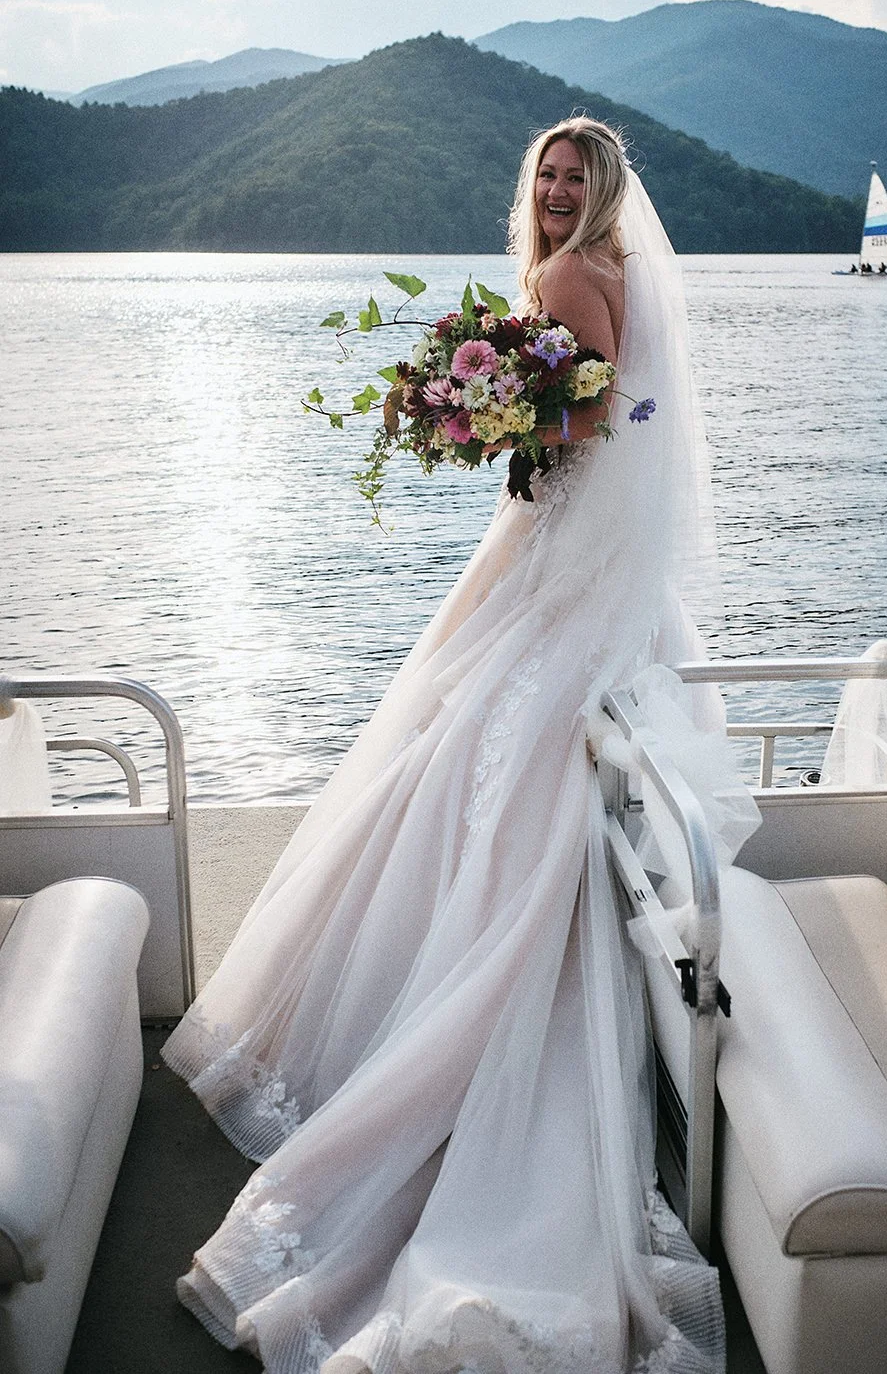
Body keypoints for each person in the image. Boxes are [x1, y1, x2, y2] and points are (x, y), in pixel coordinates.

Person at [162, 117, 757, 1374]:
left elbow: (590, 421)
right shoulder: (622, 274)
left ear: (601, 193)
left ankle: (419, 990)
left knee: (463, 742)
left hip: (561, 551)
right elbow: (633, 398)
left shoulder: (562, 277)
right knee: (464, 736)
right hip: (587, 555)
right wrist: (509, 408)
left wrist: (503, 414)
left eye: (571, 178)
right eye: (544, 173)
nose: (551, 190)